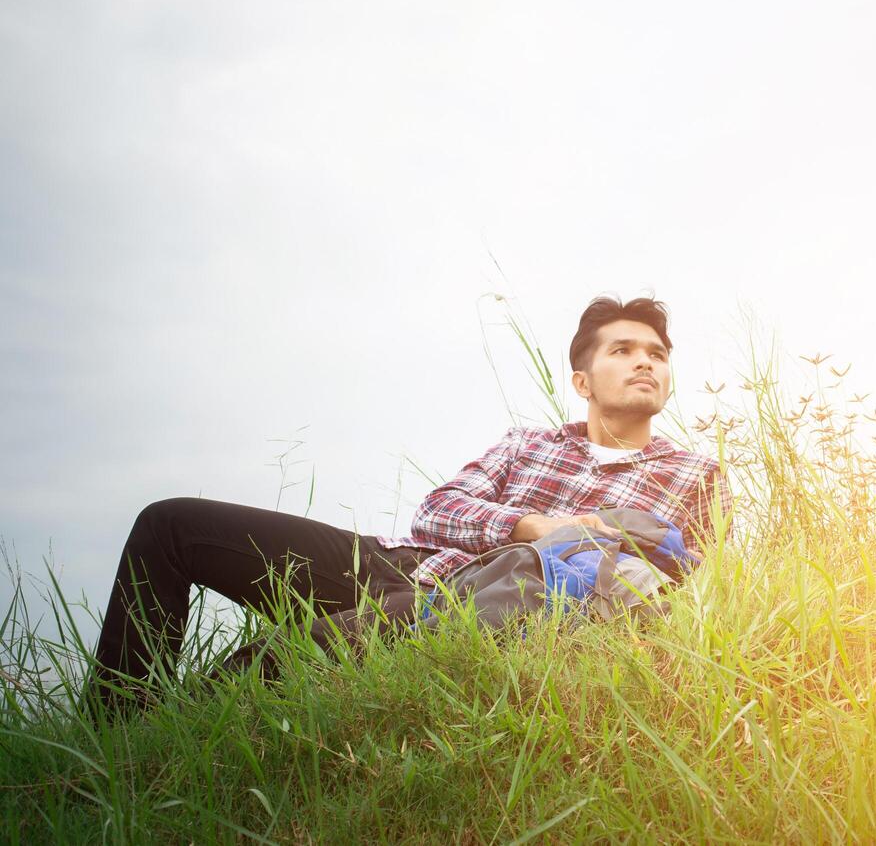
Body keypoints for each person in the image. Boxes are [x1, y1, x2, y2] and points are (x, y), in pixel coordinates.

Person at [83, 294, 729, 716]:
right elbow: (440, 509)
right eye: (624, 350)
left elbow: (697, 583)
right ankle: (103, 739)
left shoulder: (694, 473)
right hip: (399, 561)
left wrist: (565, 547)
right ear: (582, 380)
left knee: (265, 664)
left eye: (658, 354)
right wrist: (530, 522)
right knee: (169, 527)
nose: (646, 362)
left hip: (475, 602)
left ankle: (146, 757)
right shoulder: (528, 444)